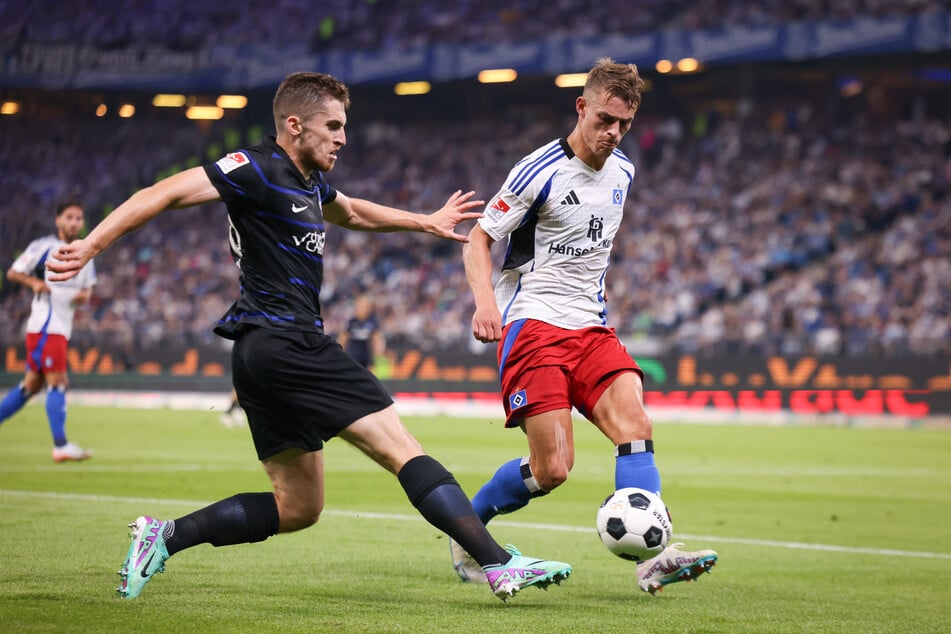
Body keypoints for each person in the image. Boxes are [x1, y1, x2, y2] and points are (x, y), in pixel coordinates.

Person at [47, 71, 570, 602]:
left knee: (299, 506)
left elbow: (353, 212)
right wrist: (90, 245)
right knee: (402, 448)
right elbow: (161, 193)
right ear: (294, 125)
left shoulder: (310, 182)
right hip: (287, 341)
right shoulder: (254, 167)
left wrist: (424, 221)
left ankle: (166, 536)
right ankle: (499, 563)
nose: (343, 138)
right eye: (333, 126)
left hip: (259, 354)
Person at [455, 58, 717, 595]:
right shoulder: (539, 170)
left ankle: (655, 558)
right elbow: (481, 238)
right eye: (603, 120)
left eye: (623, 124)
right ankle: (468, 529)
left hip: (591, 327)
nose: (612, 133)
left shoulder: (624, 171)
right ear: (581, 107)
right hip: (532, 326)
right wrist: (485, 304)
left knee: (636, 425)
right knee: (552, 470)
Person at [0, 201, 96, 462]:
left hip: (62, 326)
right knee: (59, 382)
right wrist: (34, 282)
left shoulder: (86, 252)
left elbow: (87, 291)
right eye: (70, 217)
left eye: (79, 217)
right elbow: (13, 272)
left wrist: (82, 298)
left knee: (31, 386)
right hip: (46, 325)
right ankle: (60, 445)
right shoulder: (43, 247)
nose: (75, 222)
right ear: (58, 221)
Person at [337, 293, 384, 370]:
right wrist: (340, 354)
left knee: (369, 376)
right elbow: (342, 339)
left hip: (367, 356)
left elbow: (377, 339)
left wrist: (378, 353)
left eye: (363, 305)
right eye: (359, 305)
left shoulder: (372, 322)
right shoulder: (351, 322)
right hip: (353, 356)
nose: (360, 308)